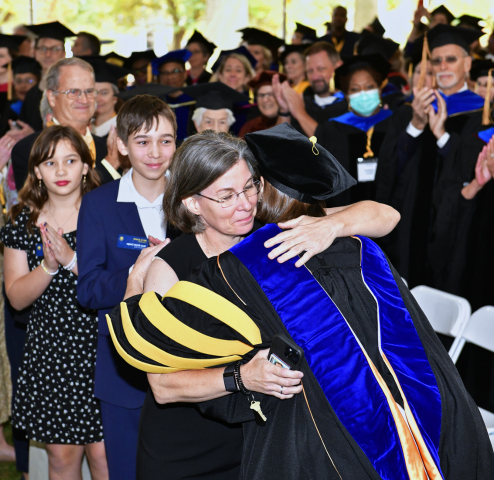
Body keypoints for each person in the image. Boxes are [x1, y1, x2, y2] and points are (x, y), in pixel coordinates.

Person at [109, 124, 494, 478]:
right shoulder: (171, 266)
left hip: (269, 433)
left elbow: (385, 215)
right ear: (193, 203)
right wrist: (241, 377)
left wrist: (331, 224)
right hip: (194, 445)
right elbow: (162, 384)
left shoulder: (274, 235)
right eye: (226, 196)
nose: (244, 204)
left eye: (250, 187)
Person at [76, 95, 180, 480]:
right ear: (120, 144)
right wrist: (137, 274)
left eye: (165, 140)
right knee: (127, 470)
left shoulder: (193, 202)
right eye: (142, 141)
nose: (155, 152)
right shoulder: (100, 204)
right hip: (125, 367)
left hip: (189, 359)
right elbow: (87, 288)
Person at [1, 125, 108, 479]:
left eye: (70, 160)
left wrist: (71, 259)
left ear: (85, 167)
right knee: (62, 461)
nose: (61, 171)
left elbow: (118, 284)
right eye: (50, 163)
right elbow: (16, 297)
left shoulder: (105, 215)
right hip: (51, 354)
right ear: (36, 171)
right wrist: (49, 265)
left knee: (106, 458)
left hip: (103, 349)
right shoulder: (22, 222)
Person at [375, 24, 485, 288]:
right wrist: (415, 125)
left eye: (451, 59)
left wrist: (443, 137)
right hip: (412, 216)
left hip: (456, 222)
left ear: (467, 64)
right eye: (437, 60)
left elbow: (475, 174)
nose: (443, 66)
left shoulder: (482, 115)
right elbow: (391, 168)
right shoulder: (410, 110)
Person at [11, 57, 122, 192]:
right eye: (73, 92)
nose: (84, 99)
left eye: (89, 91)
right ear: (52, 97)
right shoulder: (28, 149)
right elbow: (44, 205)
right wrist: (109, 167)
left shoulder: (108, 148)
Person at [315, 54, 394, 206]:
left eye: (369, 87)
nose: (363, 94)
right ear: (347, 96)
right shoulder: (331, 129)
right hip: (344, 213)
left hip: (389, 210)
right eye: (355, 89)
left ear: (379, 89)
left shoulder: (394, 124)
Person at [274, 41, 346, 138]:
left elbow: (330, 145)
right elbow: (279, 143)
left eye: (321, 69)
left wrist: (300, 112)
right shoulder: (303, 102)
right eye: (310, 71)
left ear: (337, 67)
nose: (315, 77)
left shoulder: (350, 106)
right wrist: (284, 110)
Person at [17, 21, 74, 134]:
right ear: (35, 53)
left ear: (64, 54)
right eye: (43, 48)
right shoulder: (31, 95)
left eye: (55, 49)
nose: (48, 54)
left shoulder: (73, 90)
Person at [211, 49, 257, 135]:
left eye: (238, 70)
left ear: (247, 77)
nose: (233, 74)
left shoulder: (255, 107)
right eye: (228, 70)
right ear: (220, 75)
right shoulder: (210, 104)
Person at [152, 49, 193, 142]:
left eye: (175, 71)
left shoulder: (196, 101)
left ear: (185, 74)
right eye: (165, 73)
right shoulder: (155, 103)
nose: (170, 77)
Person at [180, 82, 248, 135]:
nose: (216, 129)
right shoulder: (185, 152)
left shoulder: (238, 152)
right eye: (209, 122)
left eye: (222, 122)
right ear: (197, 124)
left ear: (229, 126)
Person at [87, 60, 129, 138]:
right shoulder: (85, 129)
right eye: (93, 92)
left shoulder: (124, 129)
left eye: (104, 93)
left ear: (115, 97)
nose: (98, 99)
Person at [0, 56, 40, 137]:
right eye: (18, 81)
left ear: (38, 82)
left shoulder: (41, 110)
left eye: (29, 81)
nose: (23, 86)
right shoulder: (6, 107)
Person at [239, 71, 287, 137]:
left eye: (270, 94)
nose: (265, 100)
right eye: (261, 95)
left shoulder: (294, 124)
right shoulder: (249, 128)